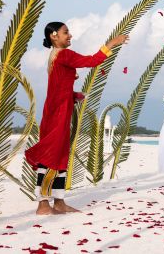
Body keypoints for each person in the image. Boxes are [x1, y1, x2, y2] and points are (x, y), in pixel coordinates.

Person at [25, 21, 128, 215]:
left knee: (61, 155)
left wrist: (74, 96)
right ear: (54, 36)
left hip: (58, 110)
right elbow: (92, 61)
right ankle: (43, 204)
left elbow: (58, 88)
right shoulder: (63, 54)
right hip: (57, 113)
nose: (70, 35)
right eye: (66, 32)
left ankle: (59, 201)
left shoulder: (56, 56)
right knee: (50, 155)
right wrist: (112, 43)